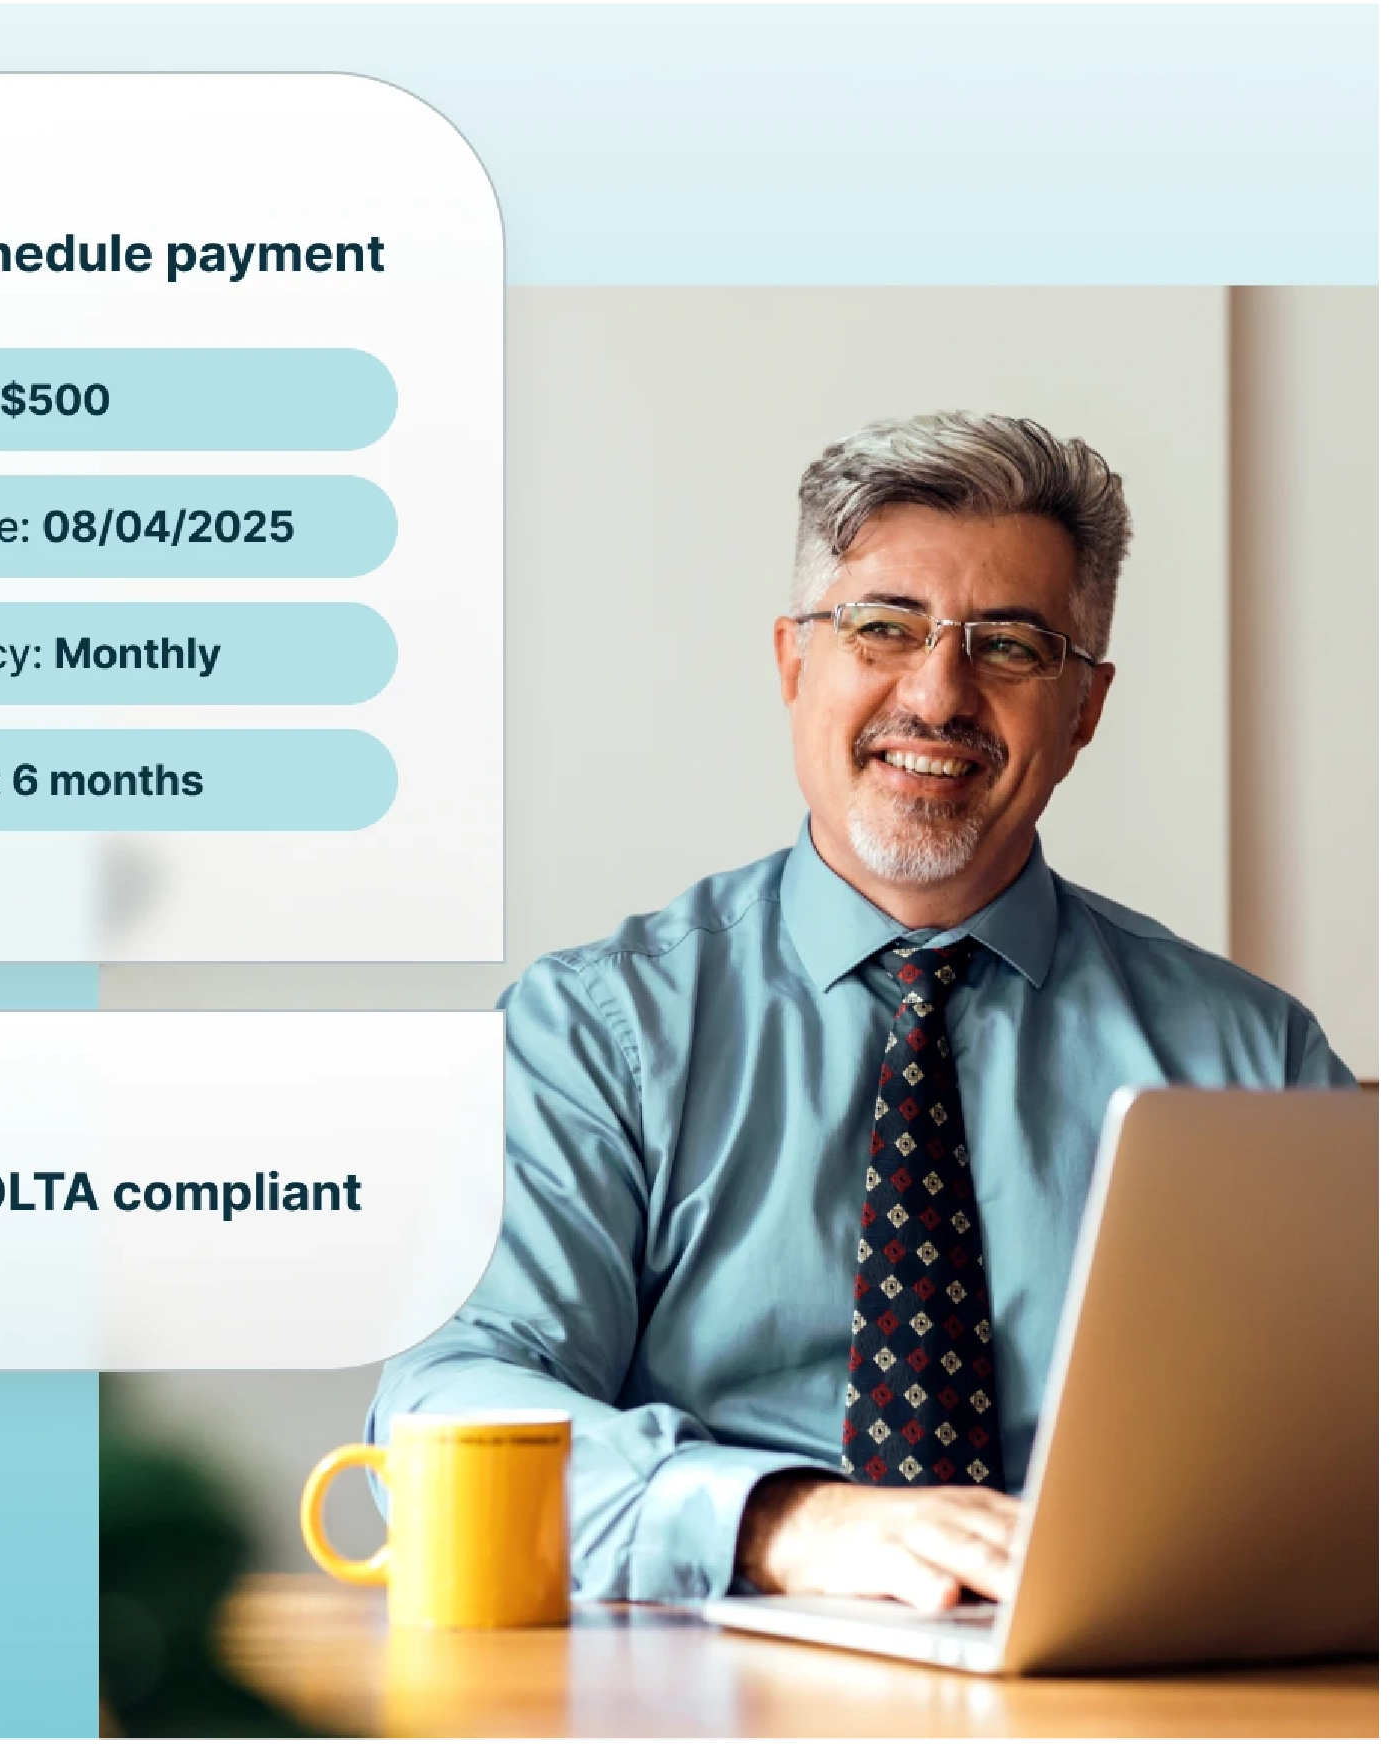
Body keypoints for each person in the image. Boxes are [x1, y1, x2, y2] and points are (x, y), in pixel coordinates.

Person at [369, 412, 1354, 1611]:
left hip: (1110, 1700)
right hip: (693, 1690)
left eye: (1010, 647)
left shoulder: (1252, 1058)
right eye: (882, 628)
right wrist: (781, 1519)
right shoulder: (593, 1033)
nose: (937, 694)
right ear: (793, 661)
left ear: (1084, 708)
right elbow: (443, 1409)